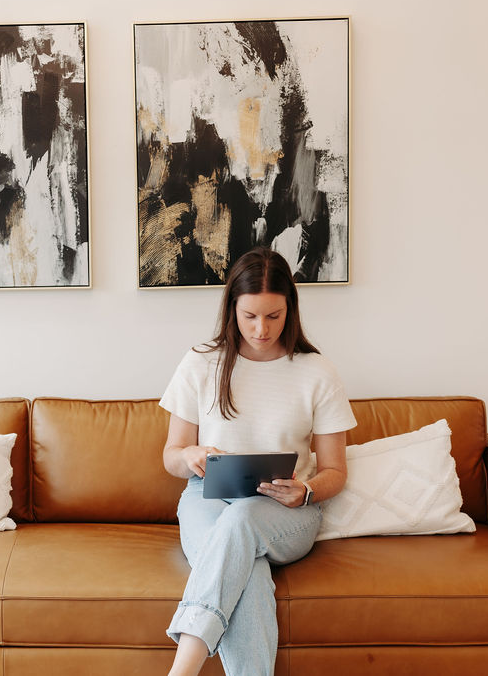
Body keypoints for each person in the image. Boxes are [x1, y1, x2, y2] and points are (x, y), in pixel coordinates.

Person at [160, 247, 357, 676]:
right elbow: (171, 456)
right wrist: (191, 454)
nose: (261, 329)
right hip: (206, 496)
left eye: (273, 316)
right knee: (244, 572)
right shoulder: (200, 363)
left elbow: (335, 472)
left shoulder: (317, 372)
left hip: (286, 510)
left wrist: (305, 491)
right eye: (249, 316)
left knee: (243, 520)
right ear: (232, 308)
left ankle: (182, 670)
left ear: (291, 310)